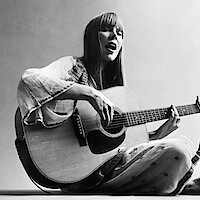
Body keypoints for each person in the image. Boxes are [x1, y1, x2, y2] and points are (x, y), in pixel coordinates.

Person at [17, 12, 200, 195]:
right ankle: (183, 185)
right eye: (106, 30)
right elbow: (30, 80)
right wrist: (90, 94)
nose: (114, 36)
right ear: (91, 38)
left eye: (120, 33)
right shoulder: (73, 67)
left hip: (106, 168)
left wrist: (157, 134)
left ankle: (182, 184)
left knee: (182, 146)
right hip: (73, 169)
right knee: (179, 150)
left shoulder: (117, 90)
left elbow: (115, 149)